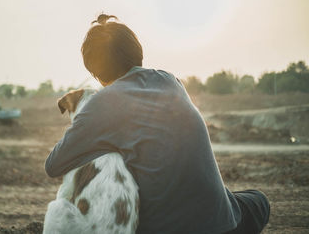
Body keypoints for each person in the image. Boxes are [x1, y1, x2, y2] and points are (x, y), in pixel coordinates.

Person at [45, 14, 270, 234]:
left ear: (95, 72)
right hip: (222, 223)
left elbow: (54, 165)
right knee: (258, 200)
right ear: (137, 53)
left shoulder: (102, 103)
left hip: (162, 228)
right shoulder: (170, 80)